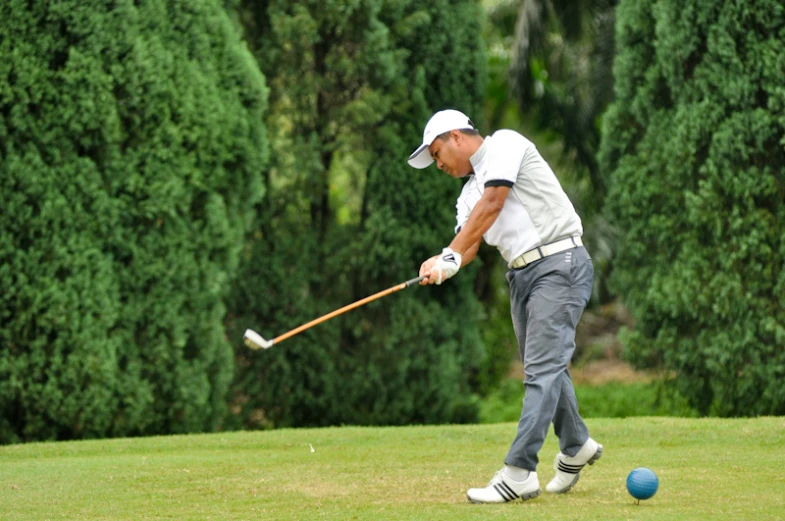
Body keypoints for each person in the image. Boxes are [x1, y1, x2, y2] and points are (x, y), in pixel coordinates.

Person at [408, 109, 602, 504]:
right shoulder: (466, 195)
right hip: (521, 276)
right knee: (542, 366)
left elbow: (495, 202)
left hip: (560, 263)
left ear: (457, 136)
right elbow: (470, 243)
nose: (439, 164)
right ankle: (576, 444)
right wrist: (444, 264)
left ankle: (519, 472)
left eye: (437, 152)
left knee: (543, 368)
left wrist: (451, 252)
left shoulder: (505, 144)